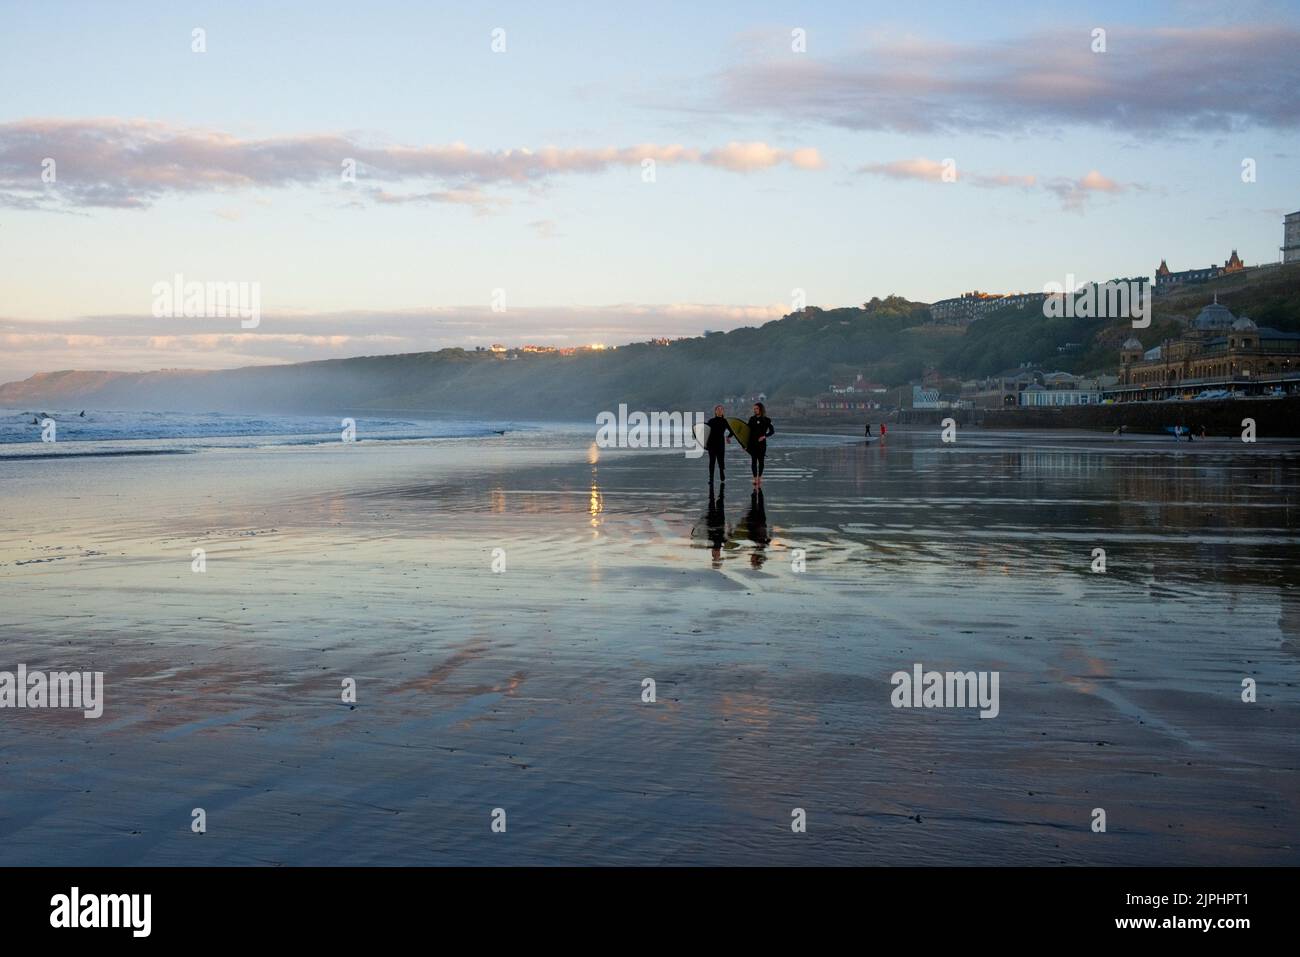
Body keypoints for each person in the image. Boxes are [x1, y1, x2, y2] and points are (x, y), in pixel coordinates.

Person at [703, 405, 735, 485]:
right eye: (718, 409)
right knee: (712, 462)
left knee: (721, 460)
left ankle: (721, 472)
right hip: (711, 443)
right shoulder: (711, 421)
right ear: (715, 411)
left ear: (723, 411)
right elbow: (706, 432)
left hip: (720, 443)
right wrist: (704, 443)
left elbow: (732, 431)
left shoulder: (725, 421)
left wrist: (728, 437)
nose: (720, 411)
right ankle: (711, 479)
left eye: (721, 410)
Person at [746, 402, 775, 487]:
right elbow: (747, 432)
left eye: (756, 408)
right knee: (753, 461)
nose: (755, 410)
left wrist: (764, 436)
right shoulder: (751, 419)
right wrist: (744, 444)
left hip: (762, 444)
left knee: (761, 461)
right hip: (752, 443)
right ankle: (755, 479)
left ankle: (760, 478)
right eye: (754, 409)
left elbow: (772, 431)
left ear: (761, 409)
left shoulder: (767, 420)